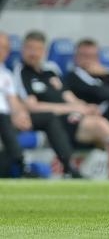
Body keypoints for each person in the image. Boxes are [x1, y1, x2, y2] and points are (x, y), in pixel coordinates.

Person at [14, 31, 109, 155]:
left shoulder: (51, 70)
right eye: (30, 48)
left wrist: (86, 107)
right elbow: (32, 107)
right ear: (22, 50)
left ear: (45, 51)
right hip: (54, 122)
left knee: (100, 123)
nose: (34, 53)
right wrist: (72, 108)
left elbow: (68, 95)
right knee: (99, 126)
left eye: (38, 49)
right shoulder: (21, 72)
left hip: (72, 117)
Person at [0, 32, 81, 178]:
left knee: (48, 118)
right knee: (3, 118)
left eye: (5, 48)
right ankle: (22, 166)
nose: (2, 51)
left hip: (8, 118)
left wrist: (20, 114)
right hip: (3, 118)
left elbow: (13, 100)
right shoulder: (20, 72)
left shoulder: (5, 74)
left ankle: (69, 166)